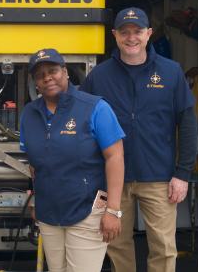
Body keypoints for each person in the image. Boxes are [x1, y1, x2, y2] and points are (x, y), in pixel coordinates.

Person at [80, 7, 198, 272]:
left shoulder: (171, 72)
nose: (131, 38)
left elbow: (188, 124)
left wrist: (183, 173)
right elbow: (82, 127)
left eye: (137, 31)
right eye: (125, 32)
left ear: (149, 34)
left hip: (159, 177)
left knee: (164, 248)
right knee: (116, 245)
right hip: (112, 180)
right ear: (115, 35)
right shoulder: (99, 76)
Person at [20, 48, 125, 272]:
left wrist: (113, 210)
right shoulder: (29, 113)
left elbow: (115, 157)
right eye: (40, 75)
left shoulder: (95, 107)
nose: (47, 77)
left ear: (65, 72)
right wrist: (37, 198)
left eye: (53, 71)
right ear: (35, 83)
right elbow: (35, 163)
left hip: (87, 211)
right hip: (49, 214)